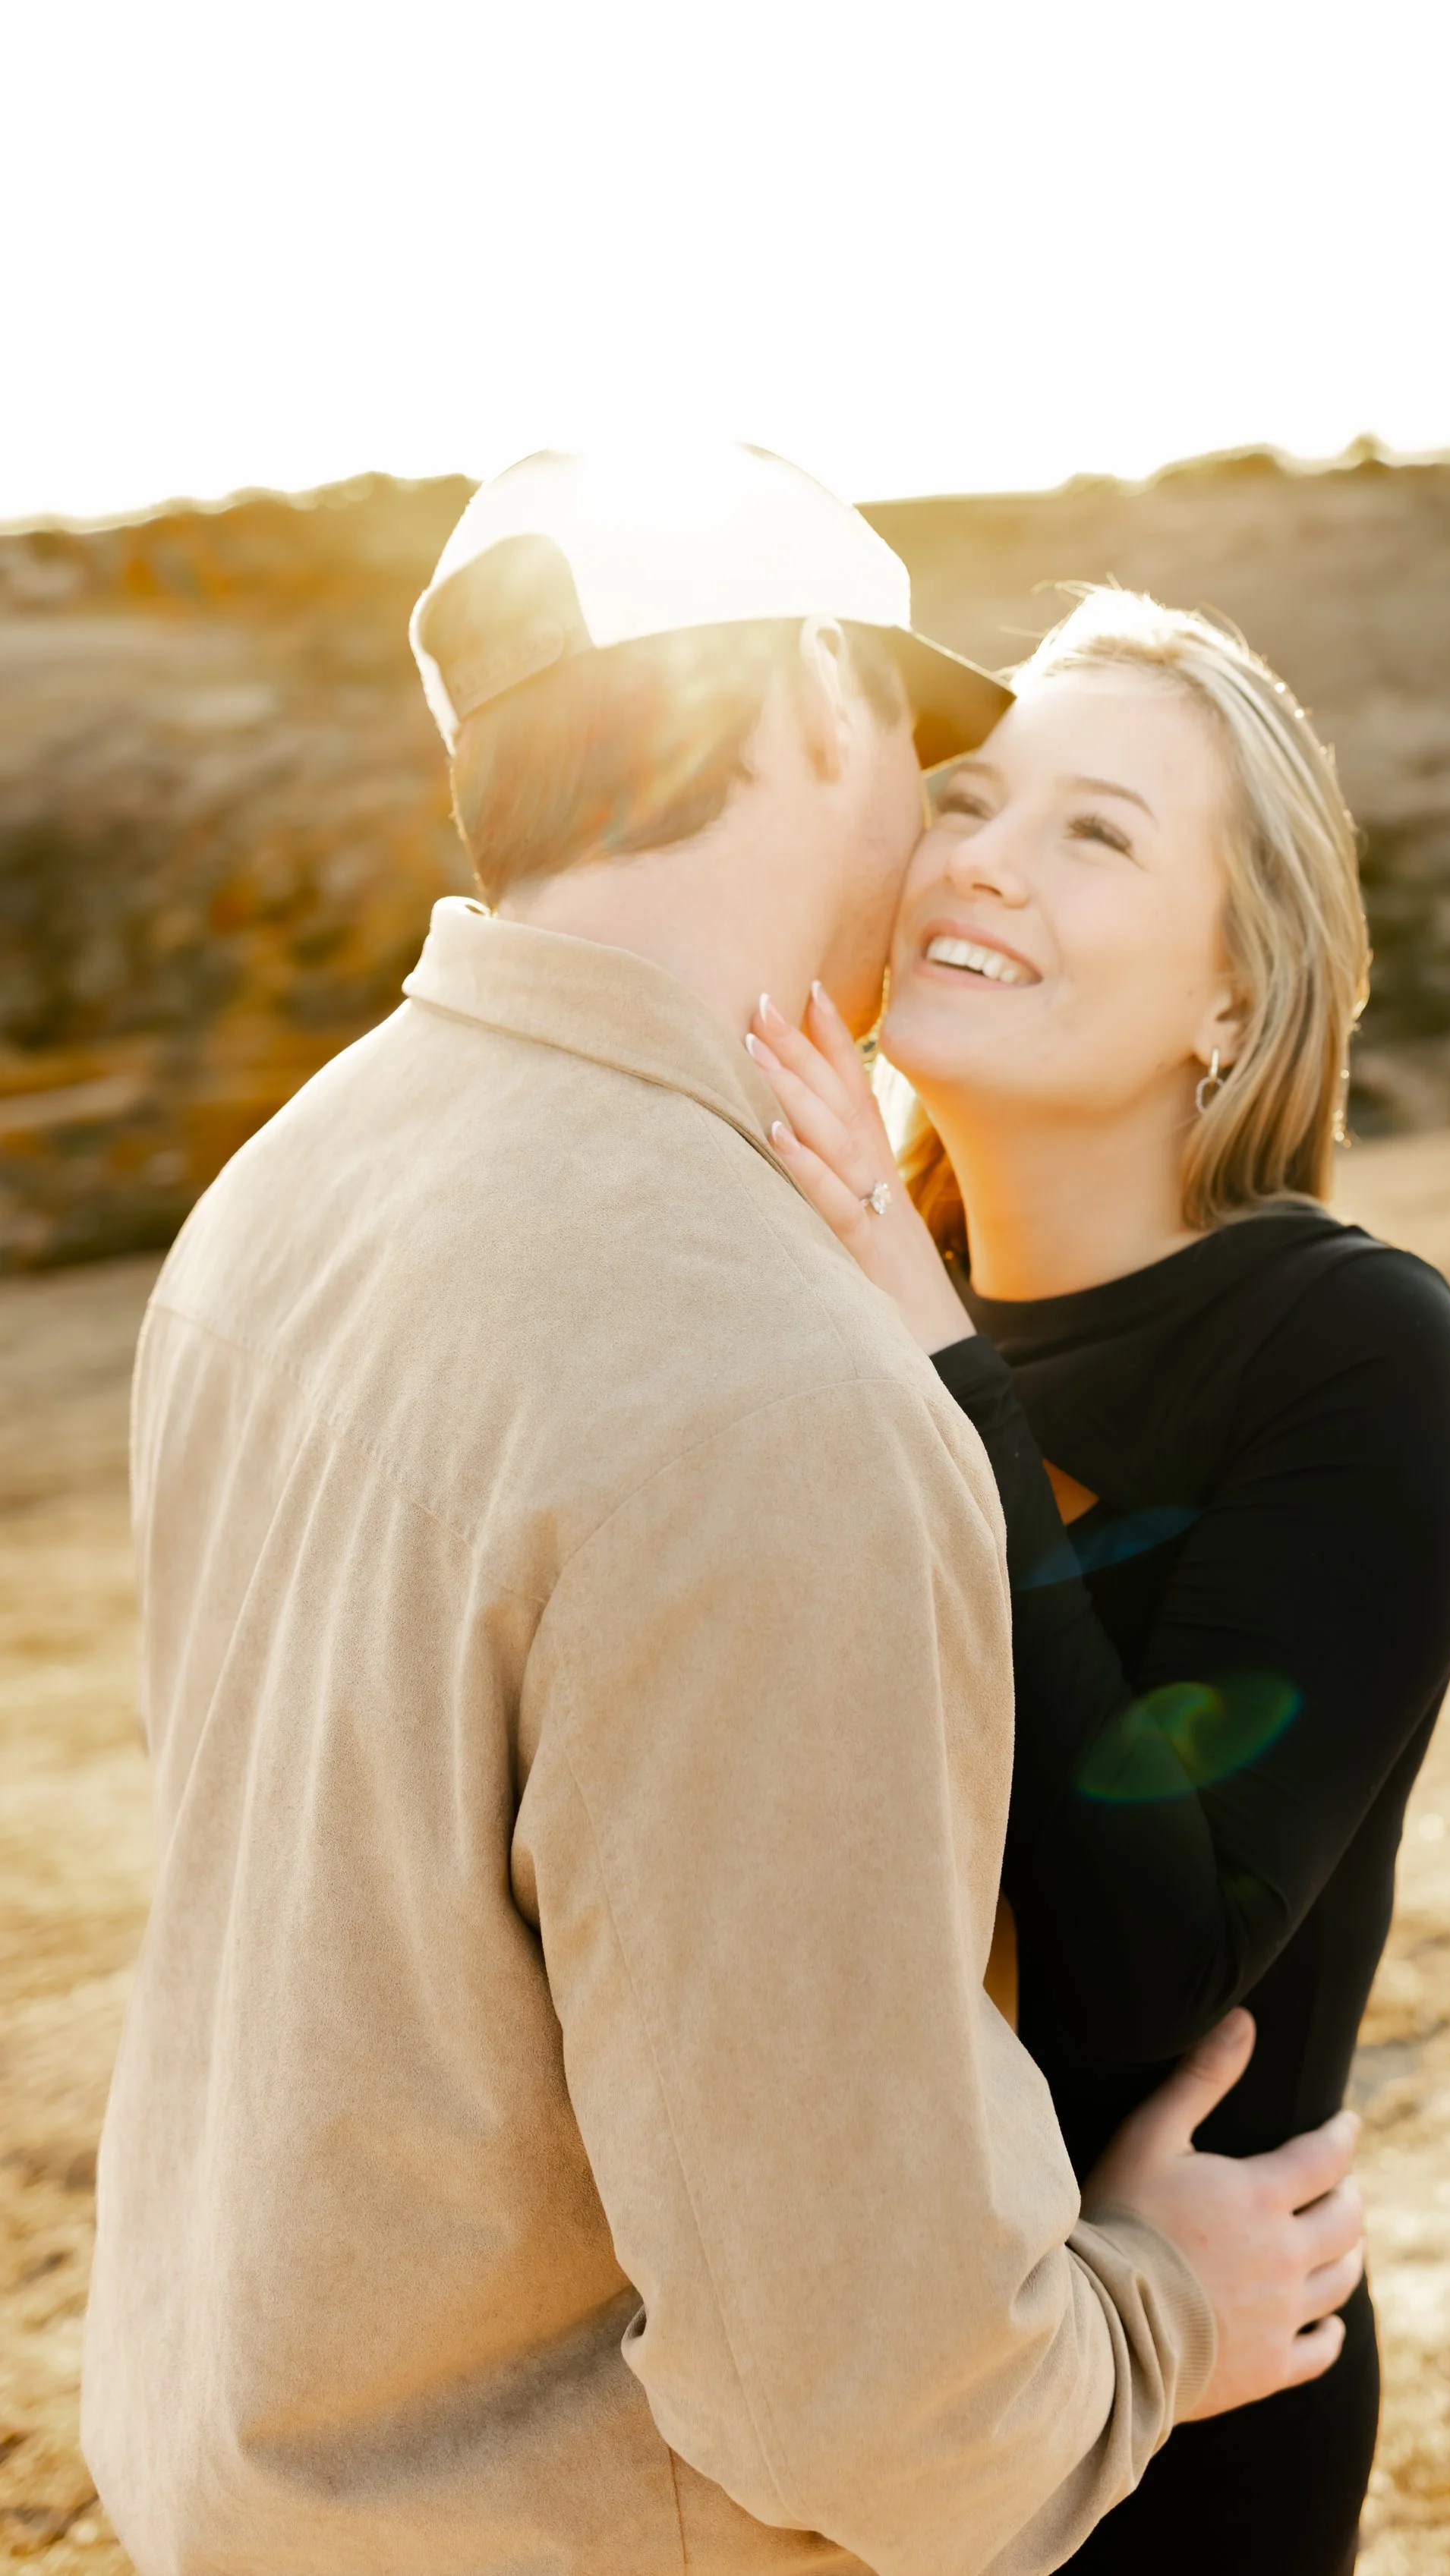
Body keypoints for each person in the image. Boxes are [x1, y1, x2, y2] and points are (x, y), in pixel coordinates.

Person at [81, 447, 1368, 2576]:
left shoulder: (288, 1187)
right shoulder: (761, 1381)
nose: (935, 834)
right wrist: (1156, 2309)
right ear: (806, 703)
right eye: (923, 748)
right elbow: (866, 2392)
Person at [750, 587, 1450, 2576]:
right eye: (969, 797)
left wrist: (927, 1356)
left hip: (1188, 2417)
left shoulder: (1347, 1350)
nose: (982, 853)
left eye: (1094, 830)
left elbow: (1143, 1960)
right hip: (841, 2396)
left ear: (1234, 999)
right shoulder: (810, 1292)